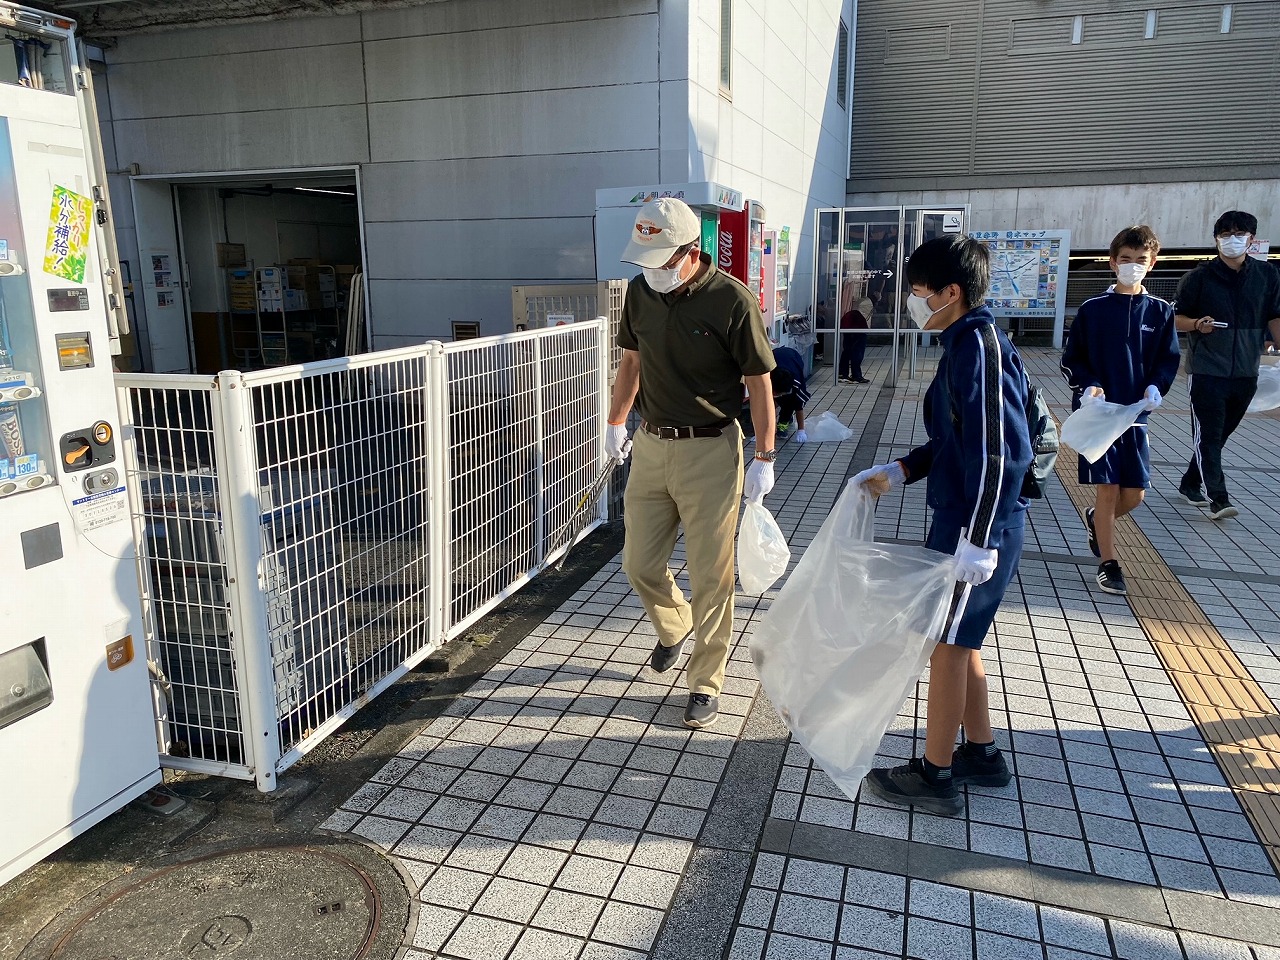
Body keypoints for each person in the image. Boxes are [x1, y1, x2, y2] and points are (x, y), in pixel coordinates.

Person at [852, 235, 1032, 816]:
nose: (911, 303)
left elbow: (998, 452)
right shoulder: (968, 341)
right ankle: (980, 753)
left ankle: (936, 774)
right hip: (970, 520)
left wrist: (977, 540)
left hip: (976, 526)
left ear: (951, 293)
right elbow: (957, 440)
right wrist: (903, 469)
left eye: (918, 293)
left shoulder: (979, 347)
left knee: (946, 646)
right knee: (963, 640)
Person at [605, 198, 778, 730]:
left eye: (661, 259)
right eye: (644, 260)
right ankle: (673, 625)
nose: (652, 271)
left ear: (691, 250)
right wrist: (615, 422)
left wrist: (765, 455)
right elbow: (631, 360)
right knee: (638, 562)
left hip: (711, 449)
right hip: (652, 444)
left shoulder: (731, 300)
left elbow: (759, 382)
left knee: (711, 575)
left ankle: (706, 681)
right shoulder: (640, 293)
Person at [1060, 225, 1180, 596]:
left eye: (1140, 260)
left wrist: (1156, 386)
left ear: (1152, 263)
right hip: (1099, 414)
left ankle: (1097, 522)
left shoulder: (1160, 312)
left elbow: (1168, 359)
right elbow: (1072, 358)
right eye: (1125, 260)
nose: (1132, 266)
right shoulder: (1093, 309)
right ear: (1112, 262)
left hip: (1136, 416)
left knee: (1135, 494)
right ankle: (1109, 564)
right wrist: (1088, 384)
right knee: (1108, 488)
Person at [1173, 210, 1280, 520]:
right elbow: (1176, 319)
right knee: (1208, 435)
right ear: (1216, 239)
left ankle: (1191, 482)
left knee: (1219, 436)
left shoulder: (1267, 275)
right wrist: (1197, 323)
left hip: (1246, 371)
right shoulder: (1198, 277)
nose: (1233, 240)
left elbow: (1274, 315)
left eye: (1240, 234)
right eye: (1226, 234)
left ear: (1251, 239)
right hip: (1206, 369)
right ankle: (1219, 498)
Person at [772, 344, 811, 442]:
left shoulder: (797, 383)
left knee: (791, 402)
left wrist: (801, 430)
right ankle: (781, 421)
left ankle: (783, 422)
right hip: (775, 357)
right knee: (771, 402)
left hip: (794, 357)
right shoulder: (768, 376)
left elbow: (799, 407)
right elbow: (768, 406)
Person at [839, 297, 872, 383]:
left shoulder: (850, 314)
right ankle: (856, 375)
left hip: (848, 329)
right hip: (857, 331)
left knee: (847, 351)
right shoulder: (859, 315)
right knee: (857, 354)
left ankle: (843, 373)